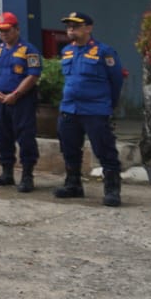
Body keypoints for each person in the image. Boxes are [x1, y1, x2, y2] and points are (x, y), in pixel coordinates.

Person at [54, 11, 125, 208]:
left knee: (104, 149)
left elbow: (116, 80)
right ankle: (73, 184)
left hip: (95, 109)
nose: (71, 29)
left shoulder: (104, 52)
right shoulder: (67, 51)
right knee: (69, 148)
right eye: (68, 26)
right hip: (69, 109)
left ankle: (112, 190)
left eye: (76, 26)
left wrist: (109, 105)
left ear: (88, 28)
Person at [0, 12, 42, 192]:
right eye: (0, 31)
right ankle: (7, 173)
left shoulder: (29, 50)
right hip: (0, 99)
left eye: (7, 30)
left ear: (17, 29)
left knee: (25, 137)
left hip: (21, 100)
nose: (3, 34)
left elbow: (33, 75)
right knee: (3, 137)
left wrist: (16, 94)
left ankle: (27, 176)